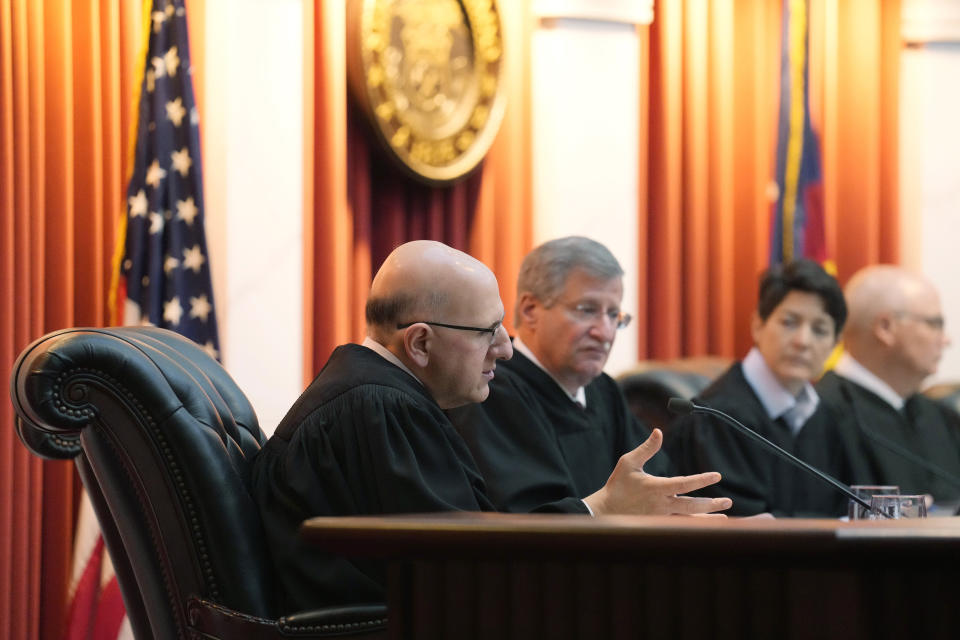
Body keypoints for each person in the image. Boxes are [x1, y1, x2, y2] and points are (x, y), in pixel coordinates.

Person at [251, 240, 731, 613]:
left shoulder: (379, 397)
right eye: (487, 332)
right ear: (420, 343)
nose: (504, 349)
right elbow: (469, 564)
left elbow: (464, 553)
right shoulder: (380, 408)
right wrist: (600, 507)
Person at [447, 236, 674, 512]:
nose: (604, 332)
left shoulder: (603, 390)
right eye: (587, 310)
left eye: (614, 315)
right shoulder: (489, 390)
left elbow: (657, 483)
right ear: (530, 310)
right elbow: (527, 519)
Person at [665, 259, 851, 517]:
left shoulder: (825, 417)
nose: (803, 341)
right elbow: (744, 528)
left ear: (835, 344)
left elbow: (845, 509)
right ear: (757, 325)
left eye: (819, 330)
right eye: (789, 322)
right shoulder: (718, 417)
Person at [817, 265, 960, 509]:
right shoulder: (819, 414)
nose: (946, 340)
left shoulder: (943, 418)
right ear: (885, 328)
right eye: (934, 324)